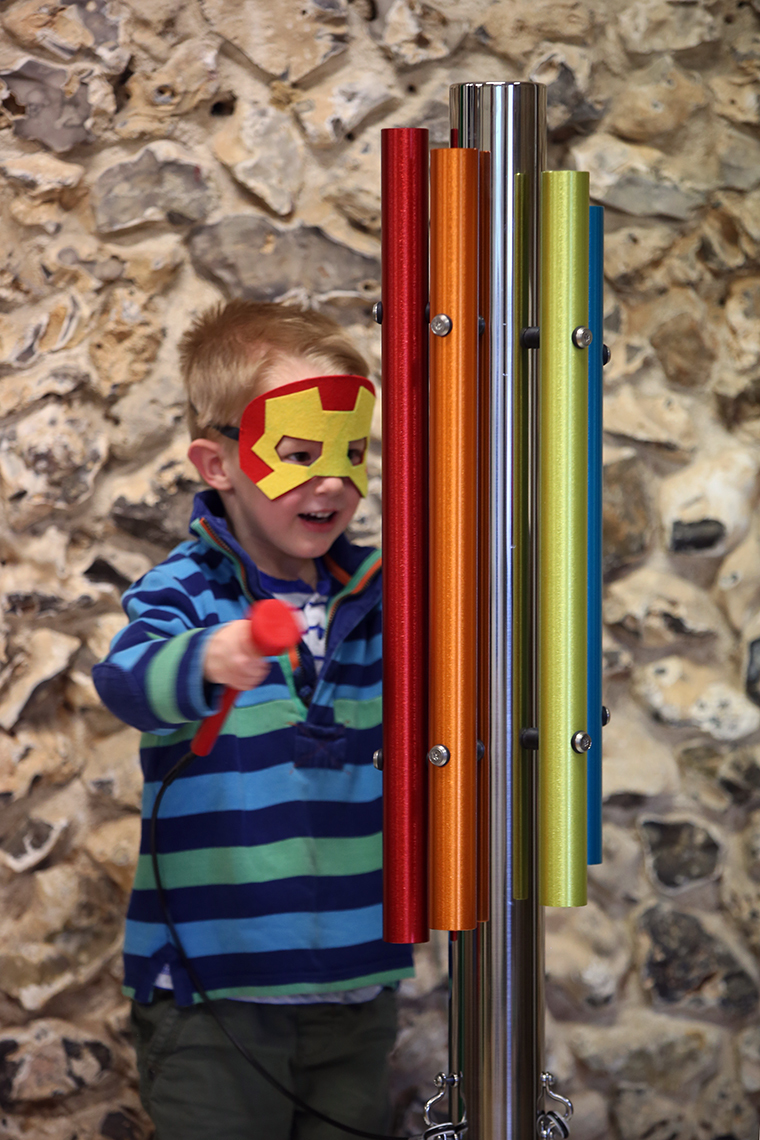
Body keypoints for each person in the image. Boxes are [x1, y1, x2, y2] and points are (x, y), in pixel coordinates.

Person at [92, 299, 413, 1140]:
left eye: (353, 453)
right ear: (219, 463)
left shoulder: (385, 596)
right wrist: (207, 657)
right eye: (299, 455)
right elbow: (124, 679)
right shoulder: (185, 591)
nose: (334, 482)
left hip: (355, 984)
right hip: (213, 996)